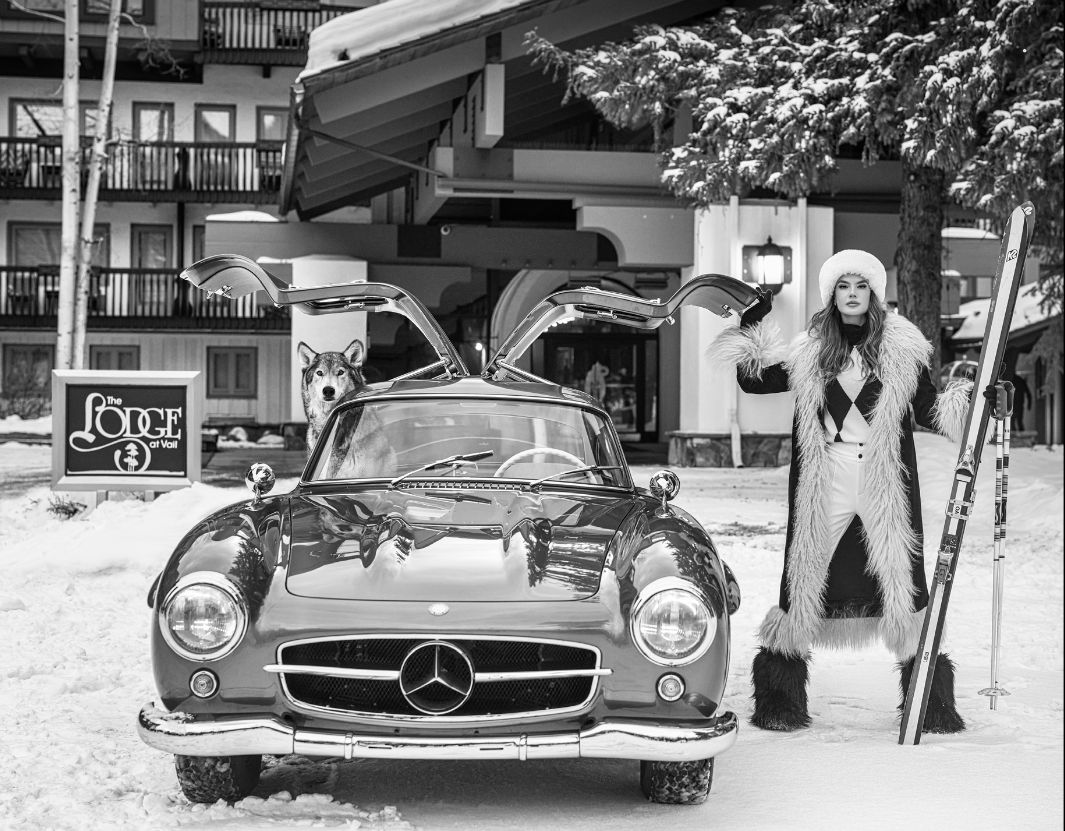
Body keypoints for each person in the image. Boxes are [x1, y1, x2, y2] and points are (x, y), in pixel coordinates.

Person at [712, 249, 992, 735]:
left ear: (874, 294)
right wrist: (752, 322)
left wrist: (978, 400)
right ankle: (780, 702)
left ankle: (930, 705)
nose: (852, 295)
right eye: (844, 286)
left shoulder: (902, 348)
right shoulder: (810, 348)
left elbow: (930, 409)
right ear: (832, 295)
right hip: (828, 473)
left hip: (883, 476)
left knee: (904, 578)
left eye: (861, 286)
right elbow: (754, 380)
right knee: (804, 573)